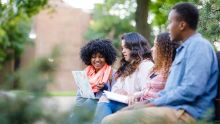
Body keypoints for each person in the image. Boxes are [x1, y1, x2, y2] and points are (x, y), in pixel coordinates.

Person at [101, 2, 219, 124]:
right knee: (121, 113)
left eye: (170, 22)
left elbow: (191, 90)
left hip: (187, 113)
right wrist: (145, 103)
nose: (168, 28)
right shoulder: (184, 50)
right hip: (173, 109)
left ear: (182, 25)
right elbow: (169, 91)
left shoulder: (199, 46)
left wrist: (152, 103)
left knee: (110, 121)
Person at [92, 32, 154, 124]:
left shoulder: (146, 65)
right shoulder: (127, 66)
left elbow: (148, 91)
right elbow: (116, 87)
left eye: (126, 47)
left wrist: (130, 94)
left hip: (135, 105)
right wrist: (118, 91)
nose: (123, 51)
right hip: (123, 103)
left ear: (134, 47)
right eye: (122, 48)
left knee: (104, 101)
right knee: (103, 99)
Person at [67, 38, 117, 124]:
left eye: (101, 57)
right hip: (86, 111)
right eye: (93, 57)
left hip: (103, 109)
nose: (97, 60)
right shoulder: (85, 73)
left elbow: (116, 96)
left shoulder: (113, 73)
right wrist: (74, 114)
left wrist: (105, 88)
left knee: (91, 101)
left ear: (107, 57)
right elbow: (80, 98)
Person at [127, 32, 177, 105]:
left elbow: (166, 97)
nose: (151, 49)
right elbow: (147, 90)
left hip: (152, 107)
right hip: (141, 104)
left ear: (164, 49)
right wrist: (135, 95)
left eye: (155, 45)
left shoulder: (171, 71)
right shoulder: (155, 68)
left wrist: (145, 104)